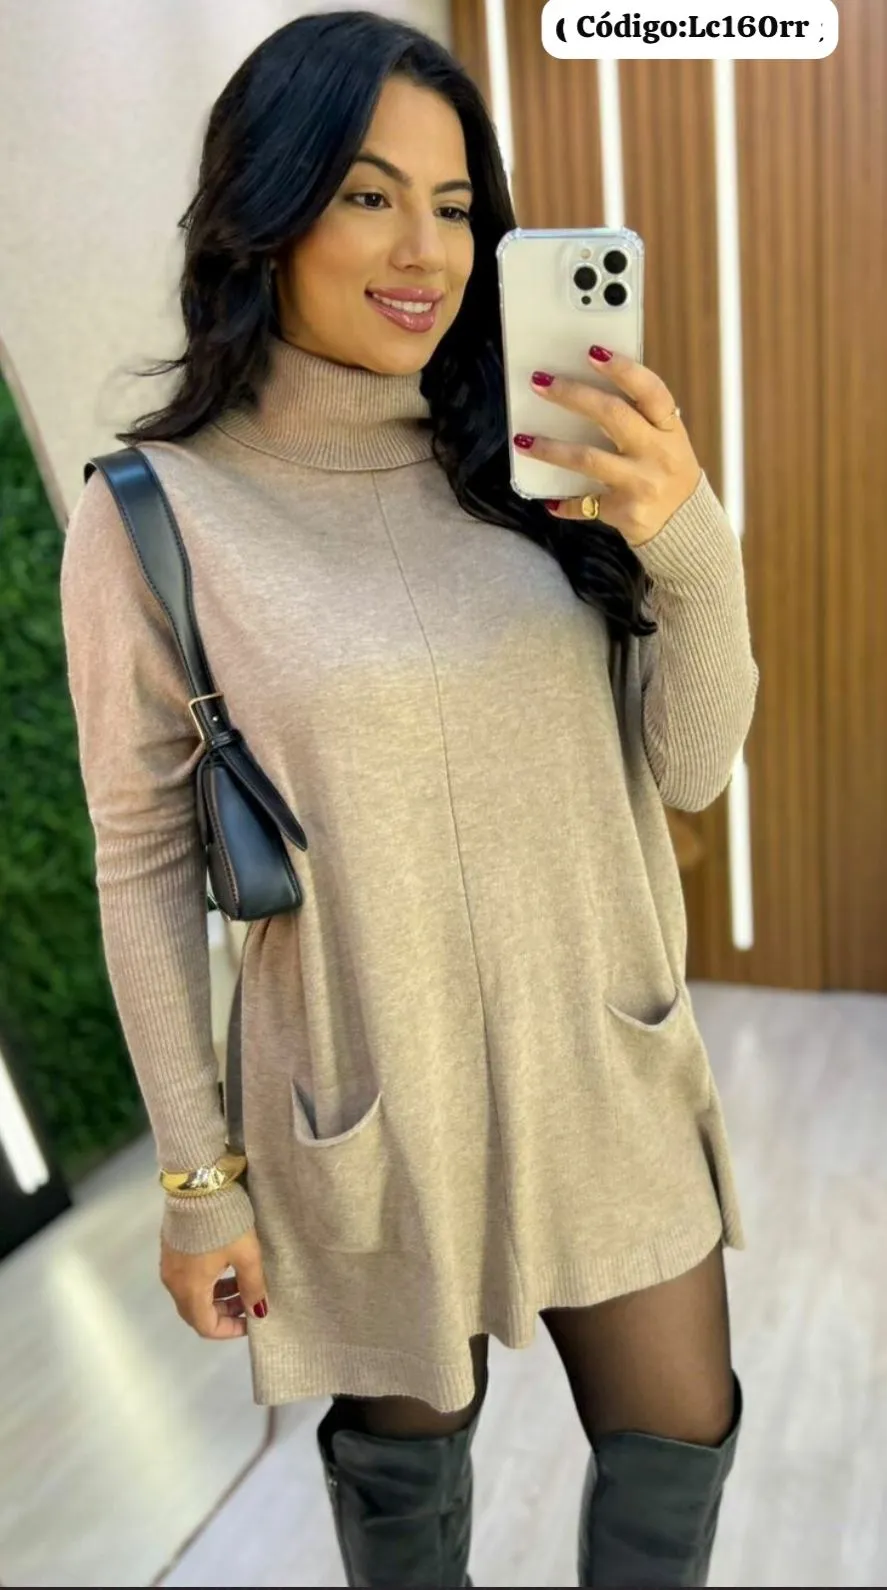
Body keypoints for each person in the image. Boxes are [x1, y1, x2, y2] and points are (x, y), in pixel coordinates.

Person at [60, 11, 759, 1587]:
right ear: (267, 209)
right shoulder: (156, 518)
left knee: (676, 1451)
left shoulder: (540, 461)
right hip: (366, 1098)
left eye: (454, 206)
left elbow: (690, 763)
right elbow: (142, 861)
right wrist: (196, 1181)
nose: (425, 251)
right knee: (406, 1511)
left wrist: (690, 543)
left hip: (603, 1063)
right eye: (368, 194)